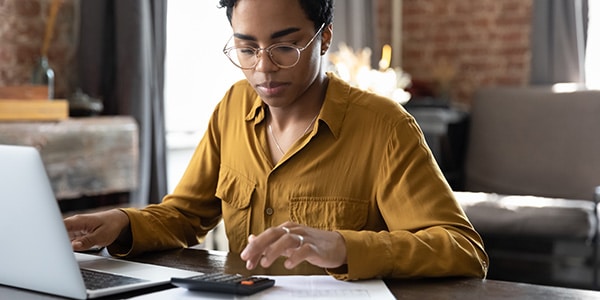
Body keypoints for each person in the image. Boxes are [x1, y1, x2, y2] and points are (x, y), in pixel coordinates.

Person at [65, 0, 488, 280]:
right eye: (246, 50)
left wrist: (345, 247)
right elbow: (185, 216)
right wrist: (122, 223)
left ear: (324, 38)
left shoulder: (384, 128)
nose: (263, 68)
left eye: (284, 47)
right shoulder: (232, 107)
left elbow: (463, 250)